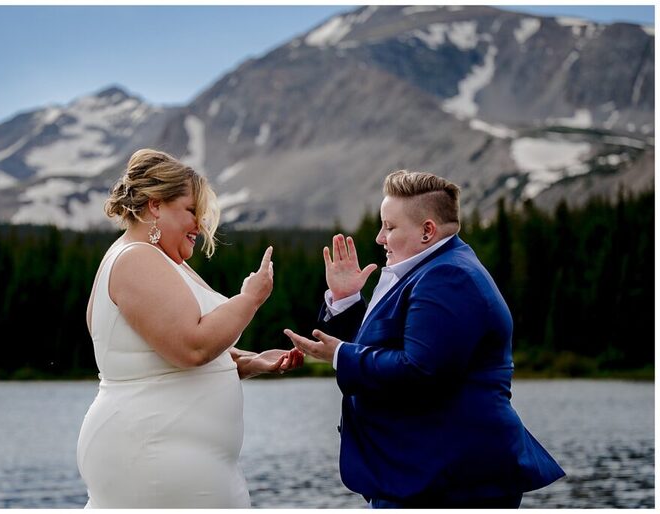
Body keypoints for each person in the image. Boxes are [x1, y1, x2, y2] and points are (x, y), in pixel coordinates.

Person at [284, 170, 565, 508]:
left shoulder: (448, 275)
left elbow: (421, 370)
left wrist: (341, 354)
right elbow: (390, 347)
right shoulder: (435, 270)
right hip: (424, 474)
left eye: (389, 227)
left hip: (451, 481)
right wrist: (346, 301)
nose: (379, 238)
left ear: (427, 231)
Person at [76, 148, 304, 508]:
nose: (199, 223)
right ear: (155, 205)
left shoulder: (157, 259)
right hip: (153, 454)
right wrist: (250, 298)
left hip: (170, 454)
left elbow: (161, 354)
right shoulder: (137, 259)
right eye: (190, 210)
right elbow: (191, 347)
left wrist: (247, 362)